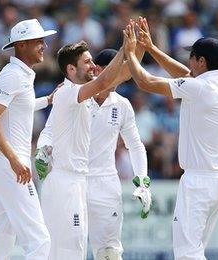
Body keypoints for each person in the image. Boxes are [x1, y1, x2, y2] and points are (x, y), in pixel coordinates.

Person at [123, 18, 218, 259]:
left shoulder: (198, 89)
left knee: (186, 254)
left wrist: (130, 53)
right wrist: (152, 48)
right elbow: (186, 75)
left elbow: (145, 81)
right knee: (195, 251)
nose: (189, 62)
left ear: (201, 61)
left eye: (192, 57)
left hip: (198, 183)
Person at [35, 48, 149, 260]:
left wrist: (142, 179)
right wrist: (43, 149)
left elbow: (135, 145)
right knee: (67, 248)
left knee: (109, 252)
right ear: (100, 70)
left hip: (105, 182)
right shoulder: (78, 94)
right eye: (116, 69)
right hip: (74, 180)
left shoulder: (122, 105)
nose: (120, 76)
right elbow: (49, 130)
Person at [0, 18, 56, 259]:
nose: (43, 45)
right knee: (40, 241)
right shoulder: (12, 74)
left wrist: (48, 100)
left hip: (8, 162)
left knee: (2, 239)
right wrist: (14, 159)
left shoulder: (21, 74)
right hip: (10, 163)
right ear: (21, 45)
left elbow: (18, 108)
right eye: (38, 41)